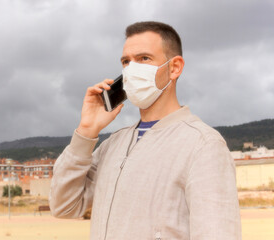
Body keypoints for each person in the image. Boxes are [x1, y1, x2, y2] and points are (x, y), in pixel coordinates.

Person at [49, 21, 242, 240]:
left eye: (144, 59)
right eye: (125, 62)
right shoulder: (113, 144)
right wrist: (86, 131)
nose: (132, 69)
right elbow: (63, 207)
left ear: (174, 67)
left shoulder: (202, 144)